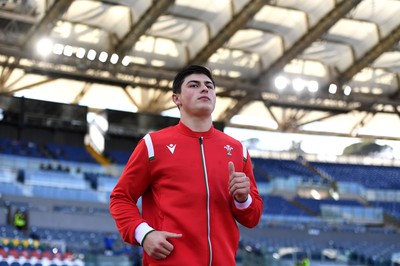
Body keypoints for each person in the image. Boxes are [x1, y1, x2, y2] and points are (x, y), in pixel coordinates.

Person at [109, 65, 263, 265]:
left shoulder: (237, 150)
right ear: (176, 98)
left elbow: (252, 218)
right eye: (194, 85)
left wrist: (243, 199)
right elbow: (121, 198)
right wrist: (144, 234)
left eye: (209, 86)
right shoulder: (153, 145)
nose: (204, 89)